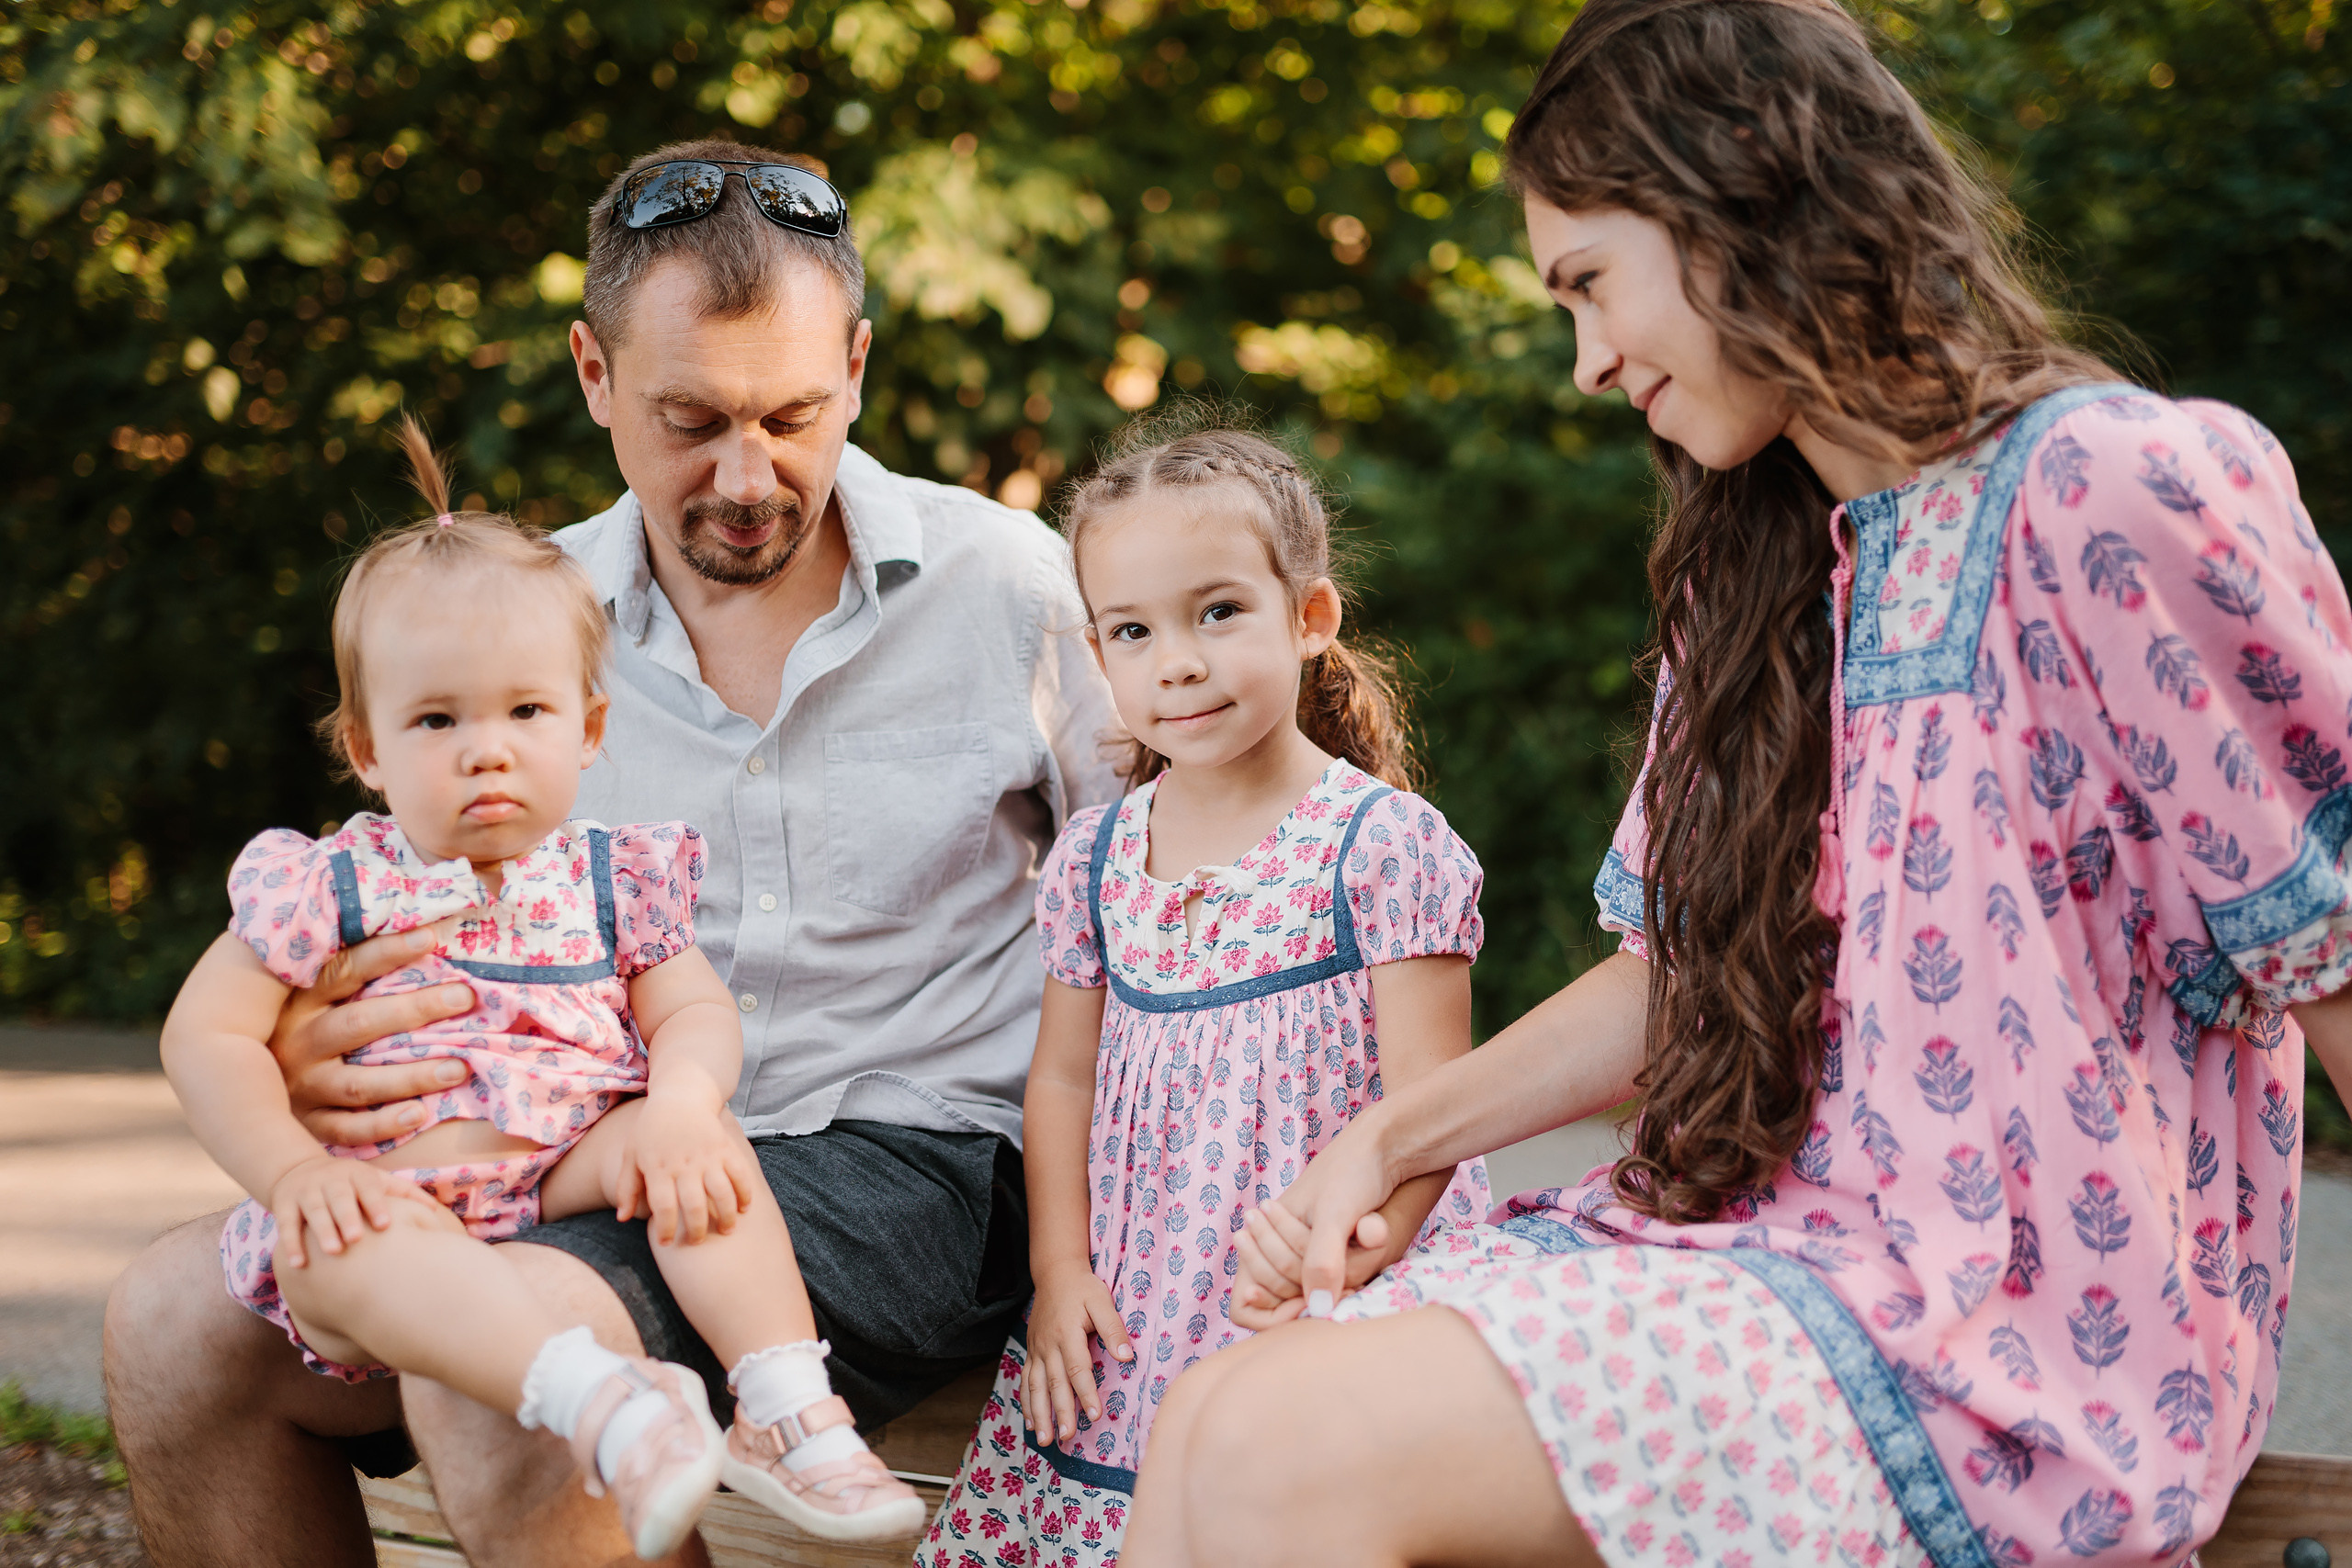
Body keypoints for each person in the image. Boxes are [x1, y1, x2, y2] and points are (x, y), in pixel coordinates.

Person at [1120, 3, 2352, 1565]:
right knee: (1215, 1408)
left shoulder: (2111, 487)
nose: (1584, 362)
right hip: (1775, 1260)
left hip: (2023, 1368)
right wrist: (1393, 1136)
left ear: (1735, 201)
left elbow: (2339, 949)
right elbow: (1679, 980)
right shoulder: (1760, 573)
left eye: (1588, 284)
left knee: (1289, 1453)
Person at [104, 137, 1120, 1568]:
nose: (750, 473)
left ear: (862, 368)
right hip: (573, 1146)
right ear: (593, 374)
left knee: (514, 1351)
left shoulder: (1009, 584)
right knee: (167, 1321)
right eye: (691, 417)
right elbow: (358, 914)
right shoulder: (515, 625)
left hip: (920, 1157)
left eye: (795, 414)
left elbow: (1165, 886)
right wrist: (309, 1051)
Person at [163, 416, 928, 1555]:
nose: (488, 749)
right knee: (330, 1248)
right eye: (437, 720)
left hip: (568, 1163)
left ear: (589, 730)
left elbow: (693, 1012)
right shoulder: (332, 883)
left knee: (695, 1159)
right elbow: (204, 1035)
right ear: (368, 749)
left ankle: (787, 1406)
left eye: (526, 713)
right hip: (398, 1198)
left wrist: (678, 1102)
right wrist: (290, 1173)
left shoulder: (612, 875)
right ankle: (595, 1397)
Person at [918, 420, 1494, 1566]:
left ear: (1310, 619)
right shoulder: (1092, 858)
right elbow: (1062, 1080)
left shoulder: (1381, 849)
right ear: (1099, 656)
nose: (1174, 660)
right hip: (1136, 1301)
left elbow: (1433, 1117)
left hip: (1326, 1284)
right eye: (1132, 631)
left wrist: (1351, 1282)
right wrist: (1059, 1269)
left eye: (1217, 612)